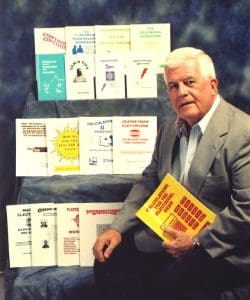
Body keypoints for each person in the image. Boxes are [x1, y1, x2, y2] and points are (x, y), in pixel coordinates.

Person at [92, 47, 250, 300]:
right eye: (173, 86)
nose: (182, 92)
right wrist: (117, 229)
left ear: (213, 85)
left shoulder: (243, 132)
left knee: (163, 286)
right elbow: (148, 183)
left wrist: (197, 241)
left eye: (189, 83)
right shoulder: (167, 130)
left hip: (221, 248)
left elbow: (247, 210)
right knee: (108, 262)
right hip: (168, 237)